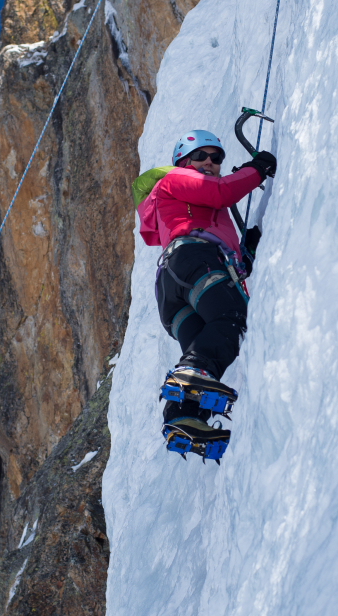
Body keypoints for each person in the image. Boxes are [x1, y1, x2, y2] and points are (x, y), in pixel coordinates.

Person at [134, 129, 276, 460]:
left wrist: (248, 253)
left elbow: (222, 243)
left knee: (210, 350)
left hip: (172, 289)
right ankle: (193, 375)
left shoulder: (185, 207)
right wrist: (257, 169)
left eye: (217, 157)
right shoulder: (173, 180)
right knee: (231, 319)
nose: (210, 162)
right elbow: (221, 194)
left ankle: (183, 418)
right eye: (201, 155)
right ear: (182, 162)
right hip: (193, 261)